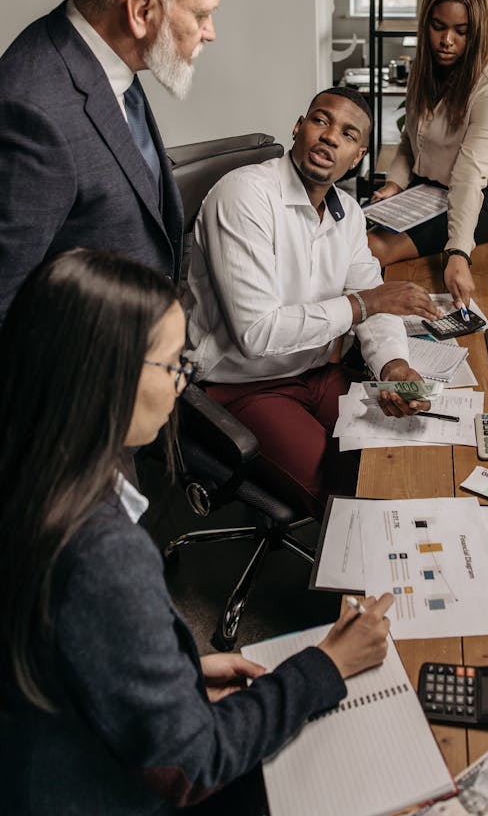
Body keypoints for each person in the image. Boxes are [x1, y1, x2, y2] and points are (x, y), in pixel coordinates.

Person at [0, 248, 393, 816]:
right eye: (173, 367)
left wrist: (177, 675)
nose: (184, 386)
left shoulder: (32, 480)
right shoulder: (103, 552)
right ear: (105, 375)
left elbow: (68, 652)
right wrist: (326, 666)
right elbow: (192, 763)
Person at [186, 86, 442, 519]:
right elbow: (257, 333)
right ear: (298, 128)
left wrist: (393, 365)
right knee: (352, 494)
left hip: (317, 374)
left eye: (347, 133)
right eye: (320, 121)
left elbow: (375, 307)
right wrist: (364, 303)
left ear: (357, 155)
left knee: (408, 450)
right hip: (243, 387)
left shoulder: (348, 214)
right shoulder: (245, 195)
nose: (329, 137)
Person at [0, 0, 222, 321]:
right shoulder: (33, 112)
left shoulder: (110, 60)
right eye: (200, 14)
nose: (210, 32)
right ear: (141, 10)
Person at [368, 0, 488, 311]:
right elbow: (410, 140)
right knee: (349, 233)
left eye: (460, 31)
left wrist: (458, 253)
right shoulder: (424, 70)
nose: (446, 40)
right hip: (424, 189)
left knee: (375, 247)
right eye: (438, 27)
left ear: (478, 32)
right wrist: (394, 184)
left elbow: (468, 175)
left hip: (482, 195)